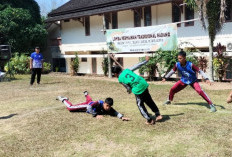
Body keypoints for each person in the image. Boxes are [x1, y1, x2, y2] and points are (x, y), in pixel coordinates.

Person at [111, 56, 162, 125]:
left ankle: (149, 120)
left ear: (116, 74)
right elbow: (137, 66)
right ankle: (158, 114)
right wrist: (145, 61)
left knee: (140, 104)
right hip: (143, 83)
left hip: (138, 89)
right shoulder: (127, 70)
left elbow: (128, 88)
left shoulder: (120, 79)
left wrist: (128, 91)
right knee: (148, 99)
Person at [56, 91, 130, 121]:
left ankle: (86, 94)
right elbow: (89, 107)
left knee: (89, 99)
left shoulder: (109, 108)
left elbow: (115, 112)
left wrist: (121, 117)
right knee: (70, 108)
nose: (108, 108)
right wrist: (95, 115)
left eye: (109, 106)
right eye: (107, 105)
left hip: (90, 102)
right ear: (104, 103)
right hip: (87, 106)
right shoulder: (98, 103)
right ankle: (64, 99)